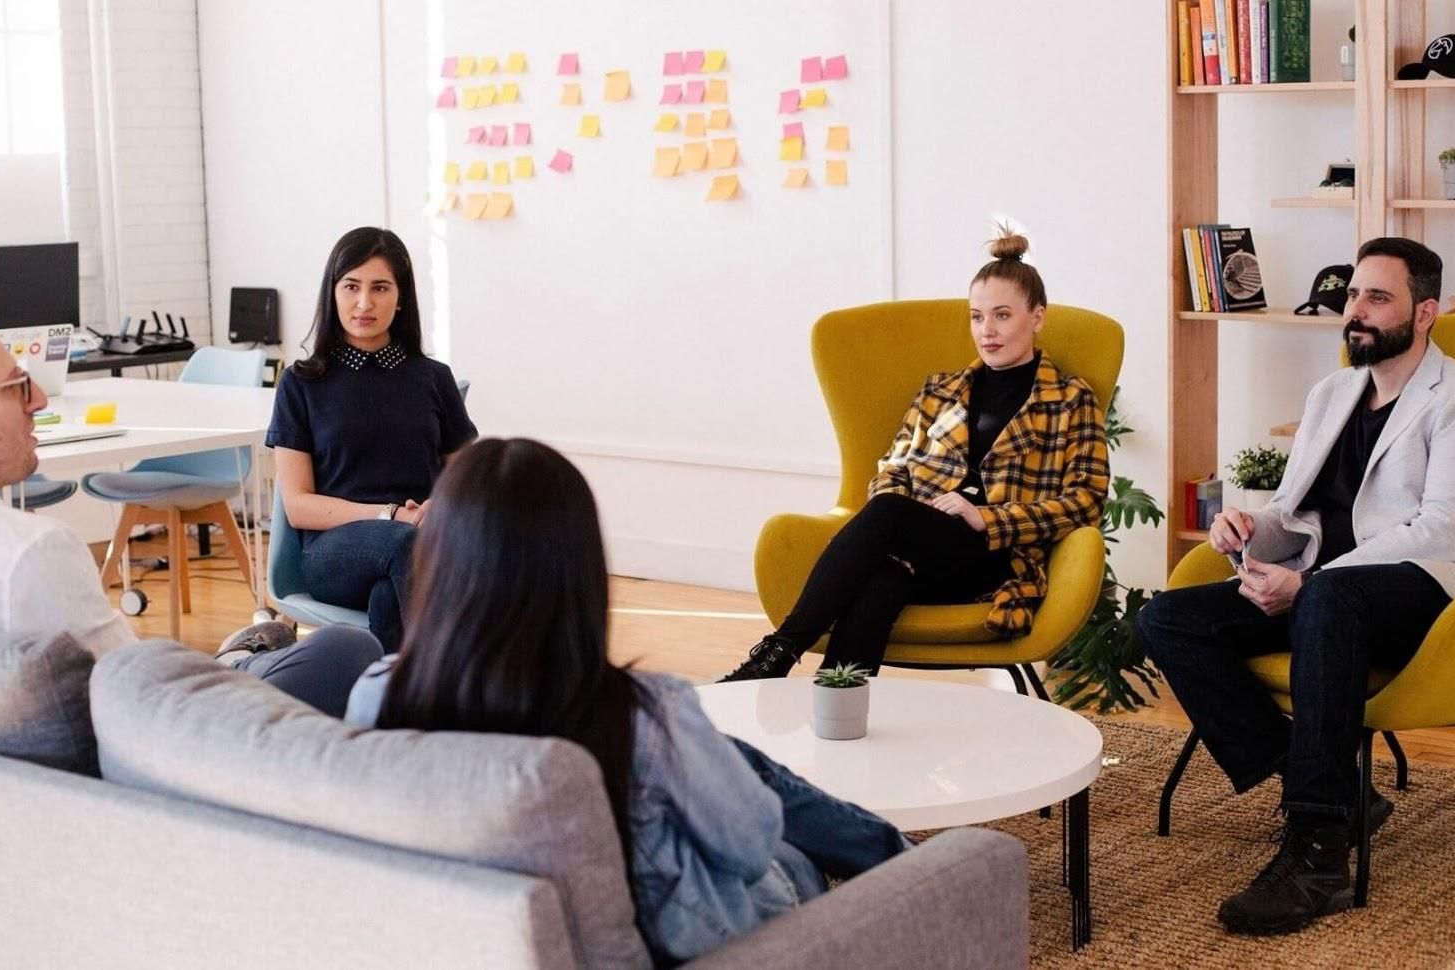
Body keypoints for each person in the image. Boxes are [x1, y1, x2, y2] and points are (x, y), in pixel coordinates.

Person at [343, 438, 909, 964]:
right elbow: (751, 842)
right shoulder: (639, 714)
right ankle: (913, 865)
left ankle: (887, 847)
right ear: (579, 571)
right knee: (780, 840)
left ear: (437, 562)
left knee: (727, 755)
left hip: (488, 940)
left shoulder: (378, 695)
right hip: (698, 939)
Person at [1136, 237, 1455, 936]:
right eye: (1352, 295)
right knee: (1169, 618)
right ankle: (1335, 788)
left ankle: (1319, 854)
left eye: (1378, 298)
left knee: (1328, 599)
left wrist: (1308, 581)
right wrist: (1249, 529)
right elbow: (1298, 511)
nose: (1357, 311)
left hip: (1443, 593)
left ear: (1426, 311)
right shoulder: (1333, 393)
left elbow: (1444, 531)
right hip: (1330, 595)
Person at [0, 313, 381, 718]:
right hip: (170, 736)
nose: (40, 400)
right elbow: (137, 693)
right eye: (16, 386)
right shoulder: (28, 553)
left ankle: (232, 662)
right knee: (345, 648)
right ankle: (233, 665)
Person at [720, 229, 1110, 680]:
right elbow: (893, 469)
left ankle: (777, 653)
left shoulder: (1070, 399)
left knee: (887, 514)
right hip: (920, 545)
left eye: (1002, 316)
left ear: (1037, 317)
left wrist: (989, 517)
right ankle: (835, 705)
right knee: (882, 580)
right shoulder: (940, 391)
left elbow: (1087, 500)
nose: (987, 331)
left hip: (996, 558)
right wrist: (918, 520)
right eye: (977, 316)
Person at [267, 227, 477, 653]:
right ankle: (467, 681)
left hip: (416, 547)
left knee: (390, 597)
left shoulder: (433, 379)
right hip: (332, 554)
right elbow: (299, 506)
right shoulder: (301, 383)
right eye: (351, 287)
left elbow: (471, 479)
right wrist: (392, 514)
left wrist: (443, 505)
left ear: (400, 298)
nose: (365, 303)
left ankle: (392, 707)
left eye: (380, 288)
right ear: (333, 294)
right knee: (408, 546)